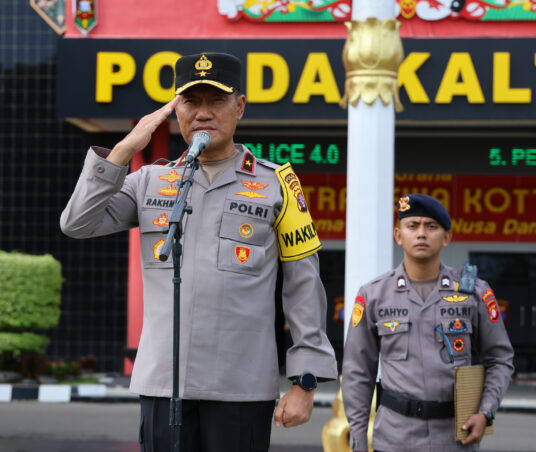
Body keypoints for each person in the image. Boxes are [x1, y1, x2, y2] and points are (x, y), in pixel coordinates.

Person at [60, 52, 338, 451]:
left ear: (239, 106)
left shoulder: (278, 185)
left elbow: (303, 287)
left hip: (240, 388)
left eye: (216, 101)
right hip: (163, 382)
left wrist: (305, 381)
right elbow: (77, 223)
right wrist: (124, 149)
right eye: (191, 102)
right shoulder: (151, 180)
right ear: (176, 109)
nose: (203, 113)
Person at [342, 193, 514, 452]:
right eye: (412, 225)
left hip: (454, 440)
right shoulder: (373, 295)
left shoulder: (473, 293)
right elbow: (357, 370)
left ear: (447, 237)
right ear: (398, 235)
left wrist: (485, 412)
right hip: (393, 439)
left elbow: (500, 358)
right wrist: (356, 437)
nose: (421, 233)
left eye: (431, 226)